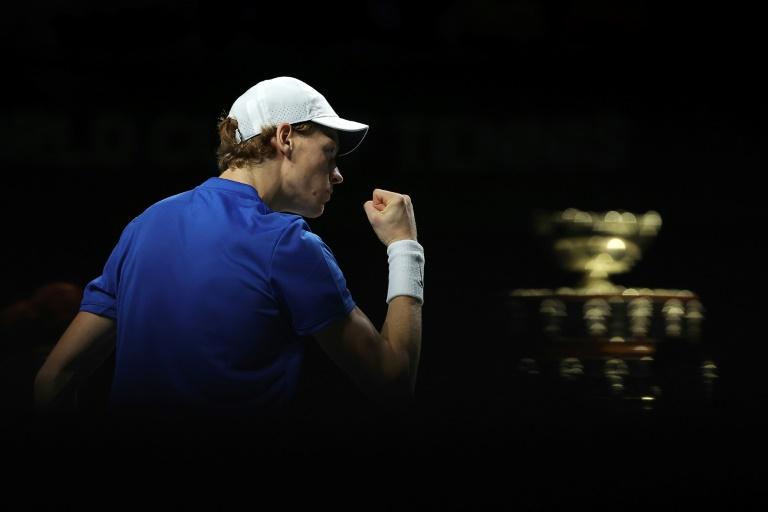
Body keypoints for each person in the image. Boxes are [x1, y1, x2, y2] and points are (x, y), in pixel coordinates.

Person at [33, 76, 424, 422]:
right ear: (285, 137)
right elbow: (392, 382)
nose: (338, 174)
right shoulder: (288, 242)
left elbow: (54, 381)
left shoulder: (145, 224)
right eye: (330, 152)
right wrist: (405, 245)